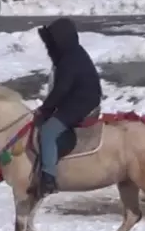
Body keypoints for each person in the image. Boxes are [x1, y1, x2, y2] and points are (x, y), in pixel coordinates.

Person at [34, 17, 102, 197]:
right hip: (81, 99)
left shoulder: (69, 60)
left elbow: (61, 90)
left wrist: (46, 108)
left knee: (48, 131)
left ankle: (49, 177)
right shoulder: (74, 53)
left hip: (82, 104)